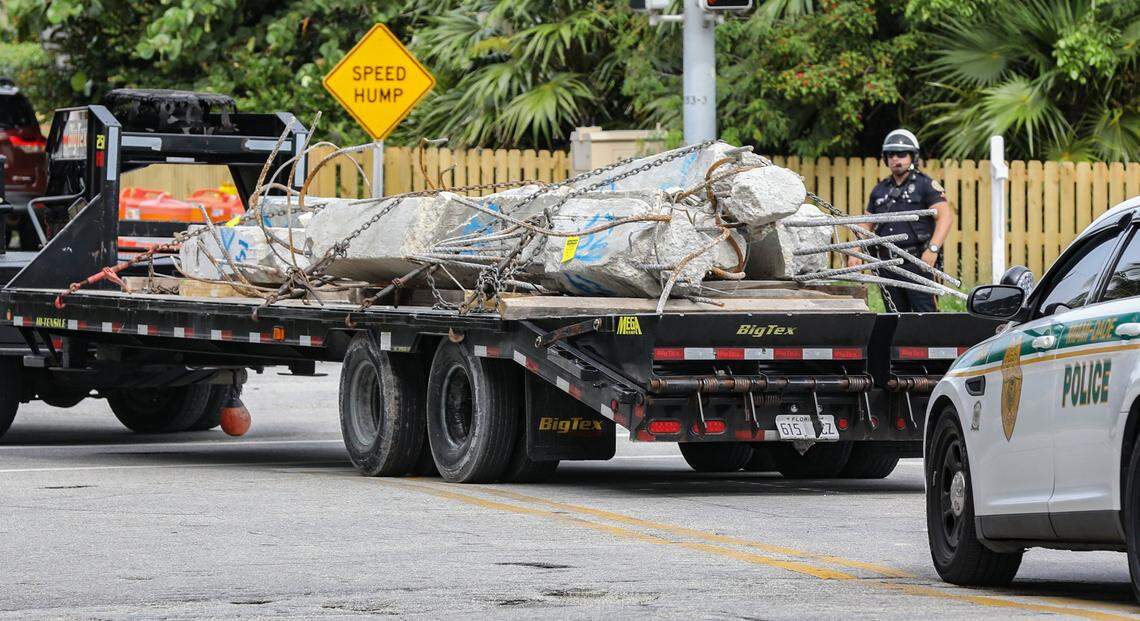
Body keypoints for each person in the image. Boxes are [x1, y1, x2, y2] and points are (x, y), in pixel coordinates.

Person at [846, 129, 953, 312]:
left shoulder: (925, 185)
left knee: (926, 316)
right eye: (891, 154)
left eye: (902, 154)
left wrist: (933, 249)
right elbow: (867, 223)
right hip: (887, 263)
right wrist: (856, 249)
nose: (896, 158)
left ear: (913, 157)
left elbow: (946, 216)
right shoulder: (879, 190)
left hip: (918, 262)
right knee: (894, 316)